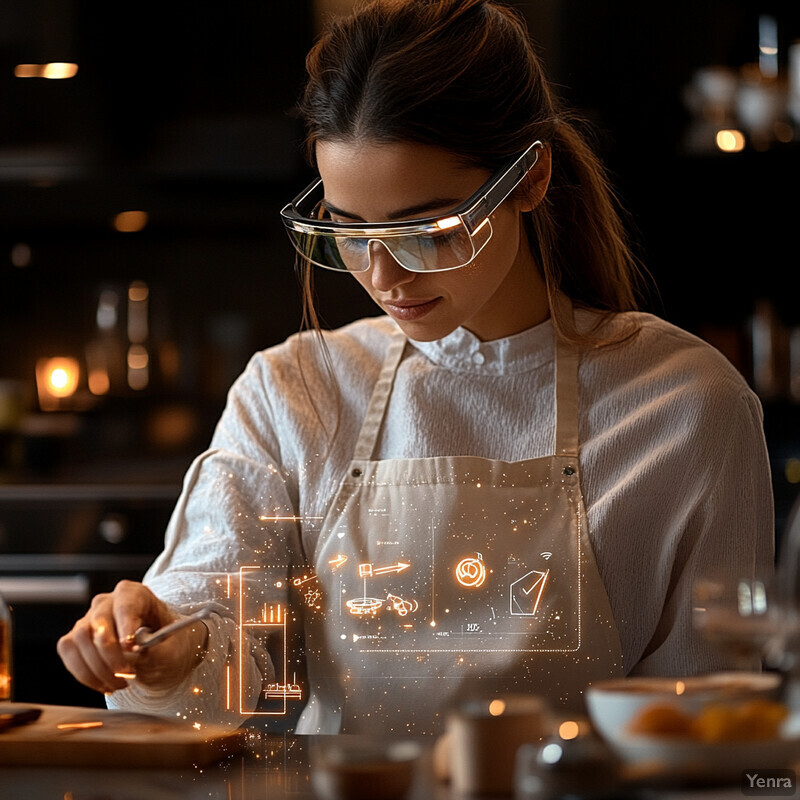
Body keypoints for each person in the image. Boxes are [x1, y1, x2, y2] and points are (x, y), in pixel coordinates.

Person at [57, 0, 774, 736]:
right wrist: (164, 651)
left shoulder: (685, 407)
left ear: (528, 181)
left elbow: (705, 731)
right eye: (347, 230)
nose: (384, 275)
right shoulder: (296, 391)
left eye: (425, 230)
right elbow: (226, 661)